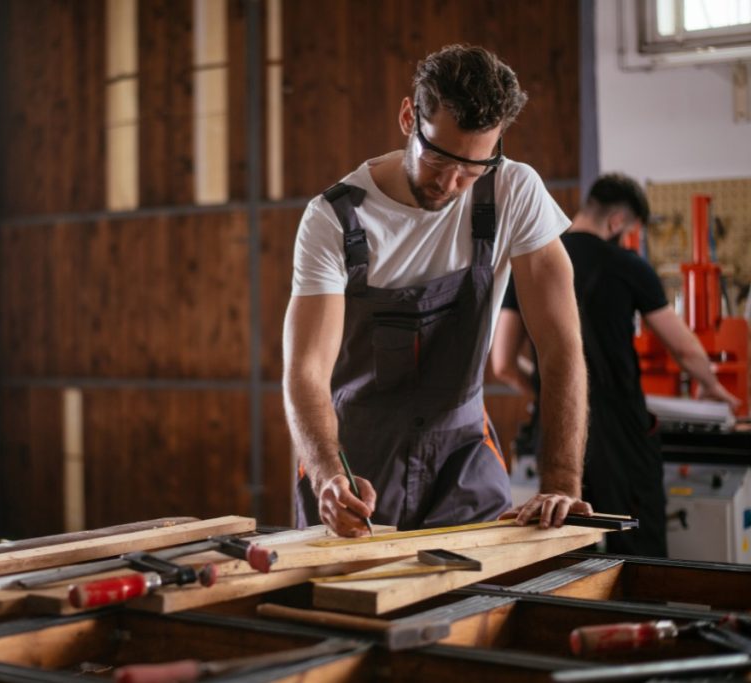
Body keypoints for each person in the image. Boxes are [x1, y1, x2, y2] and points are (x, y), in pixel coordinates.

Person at [282, 44, 592, 538]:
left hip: (462, 458)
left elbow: (560, 347)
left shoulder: (514, 191)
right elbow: (305, 372)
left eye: (473, 168)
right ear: (409, 117)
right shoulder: (335, 219)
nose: (450, 183)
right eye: (439, 158)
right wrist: (327, 474)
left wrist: (561, 482)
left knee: (481, 603)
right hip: (356, 463)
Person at [492, 173, 741, 556]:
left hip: (557, 434)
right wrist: (711, 386)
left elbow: (503, 361)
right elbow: (685, 349)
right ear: (617, 223)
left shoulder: (531, 261)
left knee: (565, 549)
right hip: (621, 435)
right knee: (638, 553)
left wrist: (549, 395)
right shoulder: (627, 265)